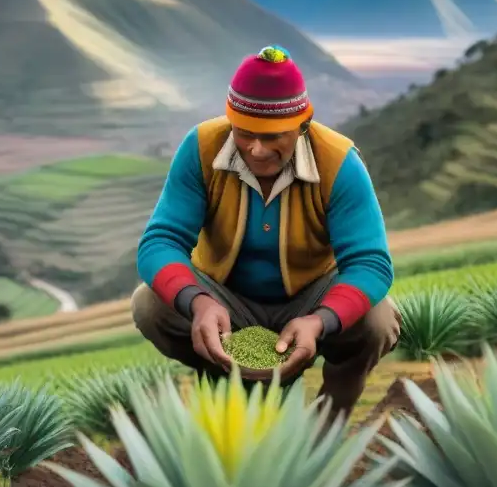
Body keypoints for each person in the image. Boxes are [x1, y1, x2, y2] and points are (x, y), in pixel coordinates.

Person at [132, 45, 400, 422]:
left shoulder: (340, 163)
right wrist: (200, 303)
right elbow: (161, 241)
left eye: (273, 136)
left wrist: (318, 321)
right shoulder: (201, 148)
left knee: (377, 321)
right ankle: (223, 375)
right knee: (150, 305)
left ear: (302, 126)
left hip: (311, 298)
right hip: (225, 297)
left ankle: (330, 419)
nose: (256, 149)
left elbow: (370, 264)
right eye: (243, 134)